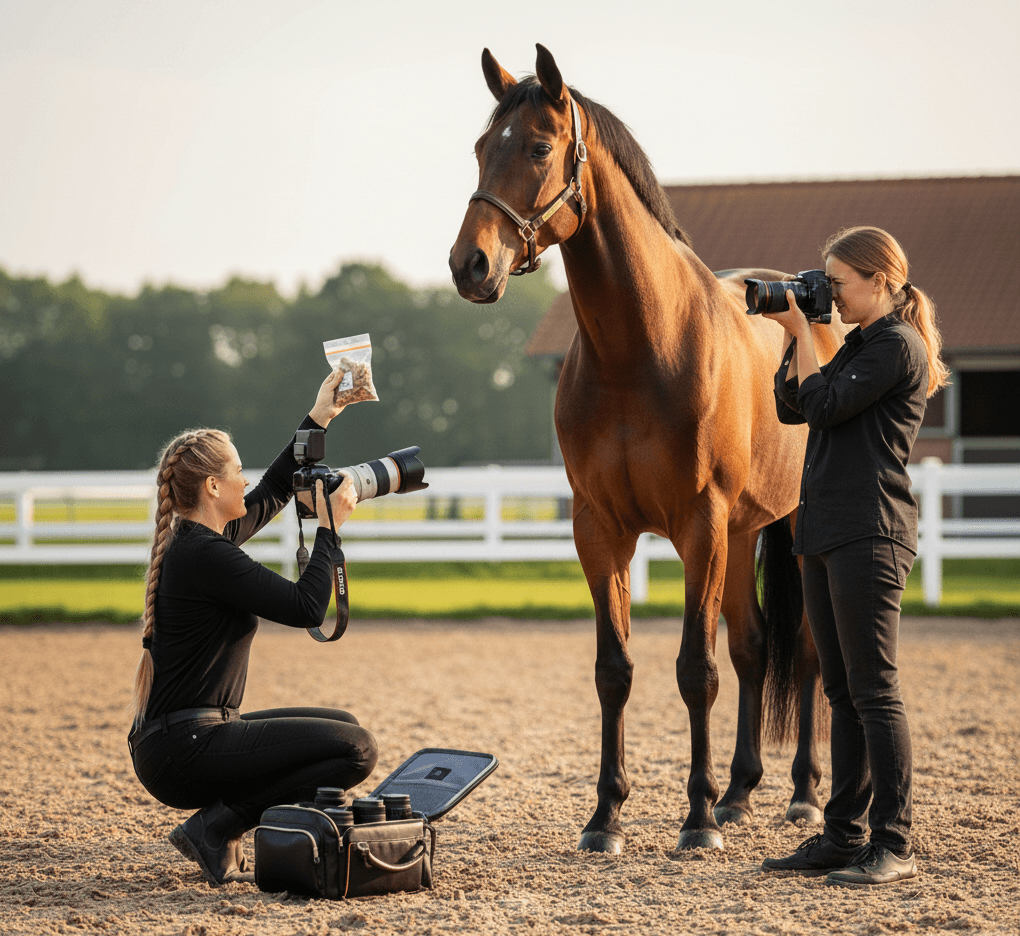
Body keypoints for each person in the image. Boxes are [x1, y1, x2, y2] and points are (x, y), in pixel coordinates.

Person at [127, 368, 378, 886]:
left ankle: (221, 825)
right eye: (237, 471)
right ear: (214, 486)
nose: (247, 478)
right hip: (185, 750)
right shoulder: (205, 555)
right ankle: (218, 826)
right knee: (355, 750)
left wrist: (321, 414)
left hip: (188, 737)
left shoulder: (201, 539)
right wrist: (330, 527)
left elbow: (274, 488)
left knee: (342, 724)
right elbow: (308, 607)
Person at [759, 226, 950, 887]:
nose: (828, 292)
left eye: (838, 282)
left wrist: (808, 334)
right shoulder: (857, 344)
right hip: (825, 530)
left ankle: (893, 843)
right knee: (841, 692)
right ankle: (842, 837)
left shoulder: (897, 346)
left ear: (880, 281)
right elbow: (792, 403)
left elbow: (825, 406)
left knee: (874, 691)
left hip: (870, 532)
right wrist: (795, 332)